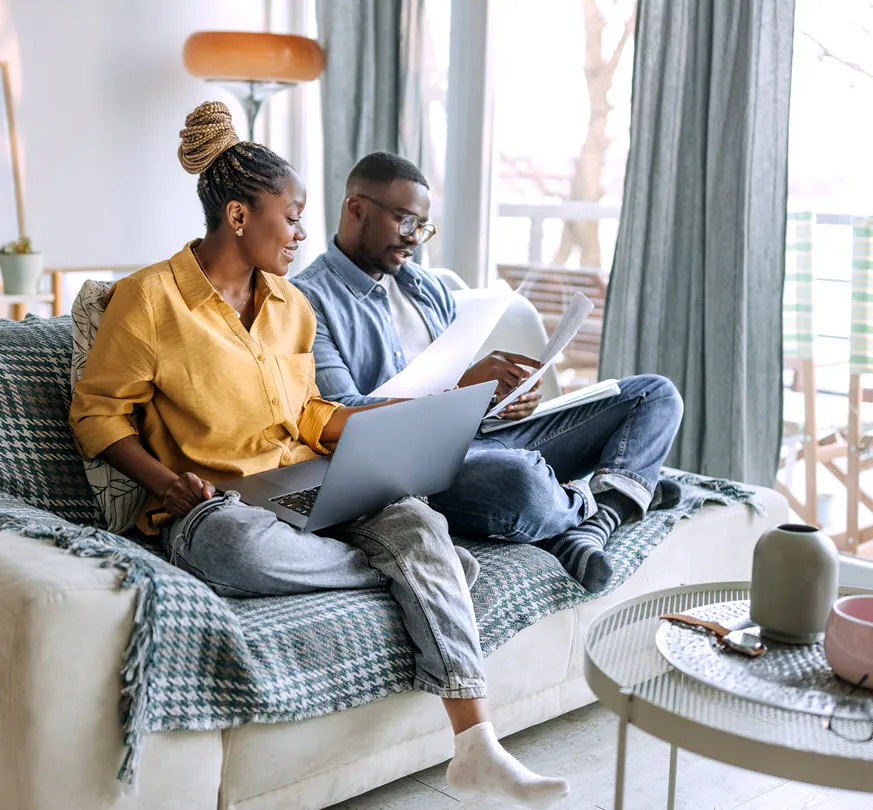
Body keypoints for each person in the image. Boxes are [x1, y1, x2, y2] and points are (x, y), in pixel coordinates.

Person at [68, 103, 569, 808]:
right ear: (239, 217)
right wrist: (164, 481)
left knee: (417, 520)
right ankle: (420, 576)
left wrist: (374, 426)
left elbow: (304, 412)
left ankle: (475, 744)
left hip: (310, 478)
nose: (304, 232)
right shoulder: (149, 300)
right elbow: (96, 413)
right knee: (240, 552)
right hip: (217, 506)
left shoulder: (289, 306)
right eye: (293, 215)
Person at [291, 152, 683, 593]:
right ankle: (615, 497)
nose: (415, 239)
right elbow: (341, 418)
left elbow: (463, 394)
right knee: (522, 482)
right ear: (356, 208)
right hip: (412, 470)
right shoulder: (306, 301)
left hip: (483, 441)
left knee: (655, 394)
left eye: (423, 226)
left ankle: (590, 522)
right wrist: (461, 390)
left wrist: (500, 400)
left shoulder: (428, 287)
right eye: (405, 222)